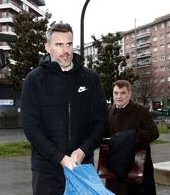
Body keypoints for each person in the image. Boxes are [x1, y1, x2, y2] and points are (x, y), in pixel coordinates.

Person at [21, 21, 108, 195]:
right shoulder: (34, 80)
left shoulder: (90, 78)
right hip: (47, 169)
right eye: (59, 44)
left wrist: (84, 150)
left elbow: (101, 122)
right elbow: (31, 127)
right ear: (47, 47)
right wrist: (59, 157)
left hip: (81, 167)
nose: (65, 50)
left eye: (69, 44)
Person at [105, 80, 159, 195]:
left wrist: (129, 137)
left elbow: (154, 133)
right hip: (115, 168)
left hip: (137, 167)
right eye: (116, 93)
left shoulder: (141, 111)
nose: (119, 96)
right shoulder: (108, 111)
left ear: (129, 94)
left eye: (123, 93)